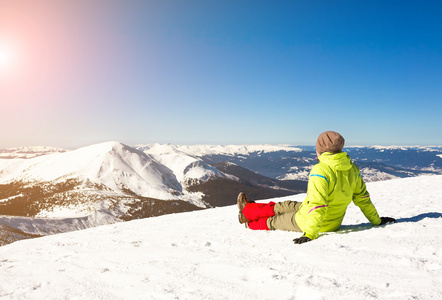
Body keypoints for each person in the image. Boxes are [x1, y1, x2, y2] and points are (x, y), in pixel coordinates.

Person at [237, 131, 396, 244]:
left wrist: (310, 233)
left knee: (274, 221)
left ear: (320, 149)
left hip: (310, 222)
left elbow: (318, 204)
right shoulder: (352, 169)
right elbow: (363, 200)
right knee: (285, 205)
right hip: (332, 221)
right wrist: (376, 221)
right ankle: (248, 209)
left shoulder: (320, 170)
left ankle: (247, 220)